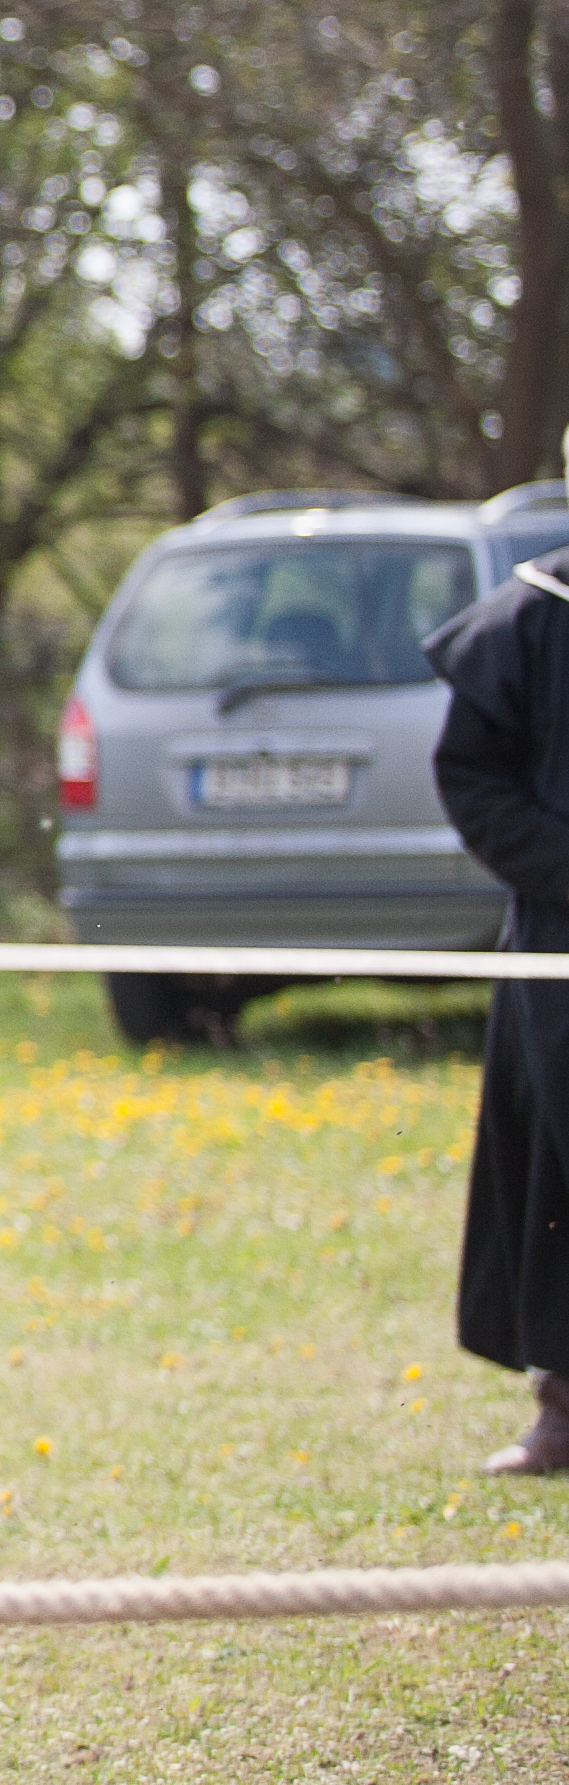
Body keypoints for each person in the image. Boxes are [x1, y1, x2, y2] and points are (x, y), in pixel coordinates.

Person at [424, 546, 569, 1474]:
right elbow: (473, 779)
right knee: (558, 1166)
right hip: (563, 940)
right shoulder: (534, 614)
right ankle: (565, 1406)